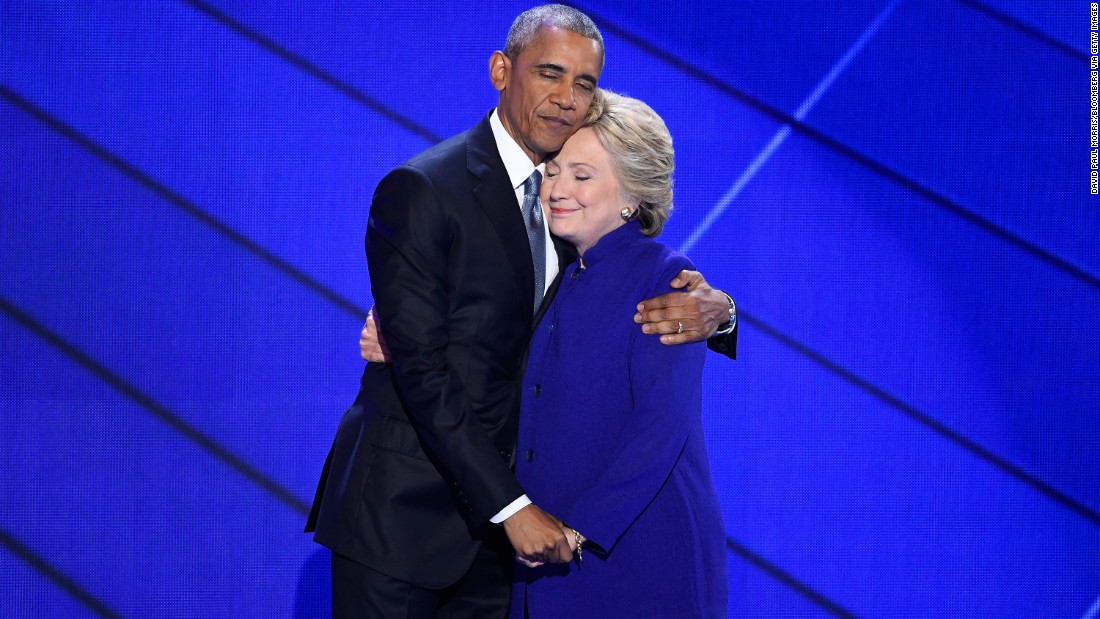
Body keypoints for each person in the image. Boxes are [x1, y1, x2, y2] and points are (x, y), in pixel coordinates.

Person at [307, 5, 735, 617]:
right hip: (407, 522)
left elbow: (638, 309)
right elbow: (424, 363)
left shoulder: (577, 227)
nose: (566, 98)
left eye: (583, 83)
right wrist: (404, 344)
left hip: (519, 548)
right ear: (501, 70)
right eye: (549, 74)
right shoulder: (426, 189)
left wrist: (721, 312)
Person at [508, 90, 727, 618]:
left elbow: (661, 424)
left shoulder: (666, 277)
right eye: (554, 170)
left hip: (636, 557)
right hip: (544, 558)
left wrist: (579, 529)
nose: (558, 189)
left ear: (633, 194)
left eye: (582, 176)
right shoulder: (554, 268)